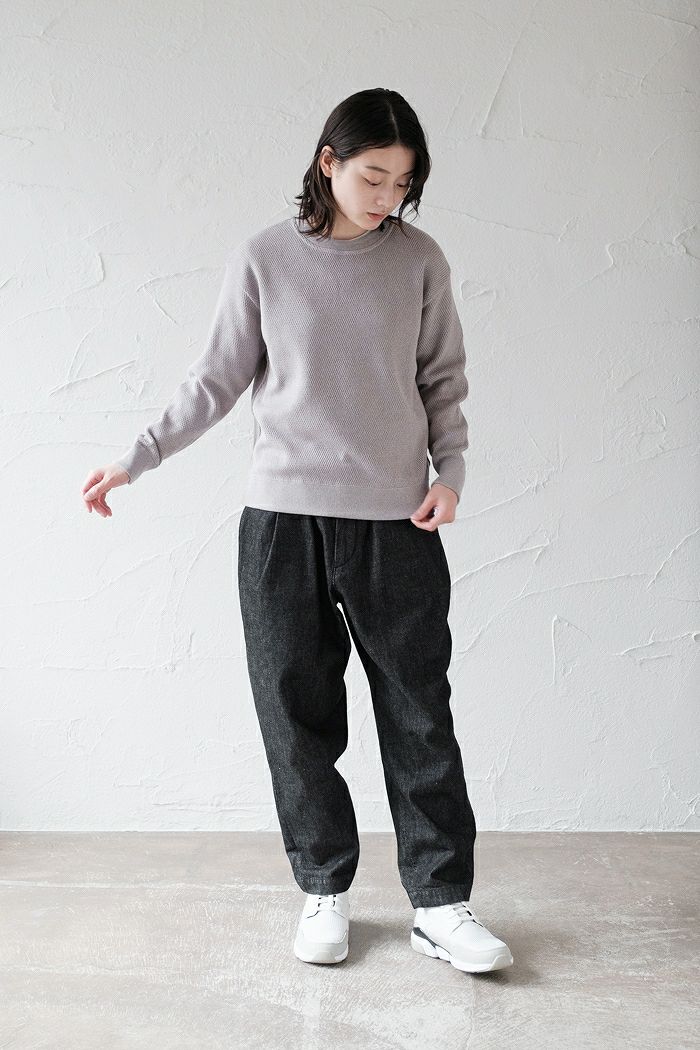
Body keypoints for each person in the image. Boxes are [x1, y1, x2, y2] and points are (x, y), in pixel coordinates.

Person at [81, 88, 513, 974]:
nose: (387, 196)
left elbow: (443, 379)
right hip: (282, 524)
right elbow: (215, 378)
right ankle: (324, 888)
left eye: (403, 182)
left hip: (396, 524)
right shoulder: (266, 258)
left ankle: (440, 904)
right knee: (295, 717)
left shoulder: (420, 261)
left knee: (419, 714)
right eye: (372, 176)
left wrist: (452, 474)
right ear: (329, 161)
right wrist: (137, 457)